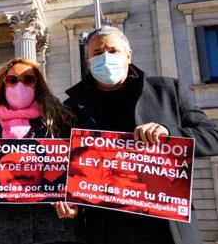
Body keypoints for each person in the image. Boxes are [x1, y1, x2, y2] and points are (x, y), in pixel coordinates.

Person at [64, 25, 218, 244]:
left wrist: (169, 133)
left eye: (113, 50)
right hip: (107, 229)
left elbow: (212, 137)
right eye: (98, 53)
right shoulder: (72, 107)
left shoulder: (168, 90)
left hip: (166, 226)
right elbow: (63, 164)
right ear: (88, 61)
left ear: (128, 55)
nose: (106, 57)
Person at [0, 57, 83, 244]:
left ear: (37, 84)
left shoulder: (62, 119)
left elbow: (81, 170)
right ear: (3, 84)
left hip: (55, 230)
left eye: (28, 79)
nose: (20, 84)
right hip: (6, 232)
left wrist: (77, 204)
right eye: (12, 80)